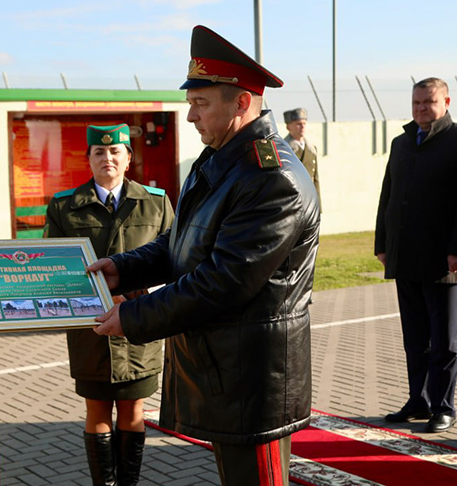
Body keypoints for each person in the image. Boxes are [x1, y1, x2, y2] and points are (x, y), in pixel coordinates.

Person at [88, 25, 320, 485]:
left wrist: (134, 316)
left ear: (241, 103)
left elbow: (224, 280)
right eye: (190, 102)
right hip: (223, 367)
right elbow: (182, 243)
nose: (190, 116)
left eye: (200, 103)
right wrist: (123, 267)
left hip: (253, 378)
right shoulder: (221, 158)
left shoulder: (271, 177)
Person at [45, 123, 173, 486]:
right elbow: (56, 266)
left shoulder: (156, 201)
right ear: (88, 159)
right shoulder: (64, 206)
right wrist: (102, 296)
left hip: (141, 323)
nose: (108, 158)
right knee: (97, 407)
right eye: (99, 152)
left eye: (115, 151)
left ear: (128, 158)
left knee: (134, 409)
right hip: (91, 324)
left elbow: (175, 259)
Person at [375, 77, 457, 433]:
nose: (420, 108)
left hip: (442, 260)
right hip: (405, 257)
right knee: (415, 337)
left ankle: (444, 407)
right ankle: (418, 400)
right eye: (416, 102)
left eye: (428, 102)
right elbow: (388, 195)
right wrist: (382, 244)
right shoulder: (401, 143)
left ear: (445, 101)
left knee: (444, 341)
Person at [283, 108, 320, 209]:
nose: (302, 127)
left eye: (304, 123)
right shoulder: (283, 148)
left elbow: (315, 179)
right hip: (292, 200)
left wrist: (318, 204)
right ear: (288, 126)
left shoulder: (312, 148)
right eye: (298, 124)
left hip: (309, 199)